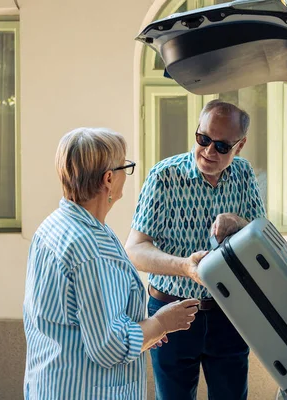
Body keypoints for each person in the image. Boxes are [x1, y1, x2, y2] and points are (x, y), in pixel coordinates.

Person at [23, 127, 199, 399]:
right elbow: (110, 347)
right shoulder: (91, 249)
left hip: (51, 383)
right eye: (125, 167)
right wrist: (163, 322)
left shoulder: (55, 227)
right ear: (108, 179)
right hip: (84, 390)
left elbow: (81, 320)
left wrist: (147, 330)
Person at [126, 100, 267, 400]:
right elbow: (135, 250)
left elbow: (262, 241)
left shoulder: (244, 175)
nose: (208, 151)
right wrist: (185, 267)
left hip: (229, 312)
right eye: (203, 139)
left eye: (221, 146)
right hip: (171, 310)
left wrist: (239, 223)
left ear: (240, 146)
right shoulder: (164, 177)